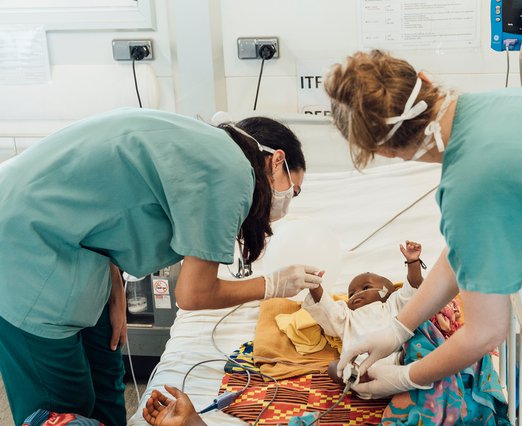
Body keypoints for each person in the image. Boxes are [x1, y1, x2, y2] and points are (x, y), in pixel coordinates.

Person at [324, 50, 522, 425]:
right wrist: (398, 328)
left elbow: (484, 333)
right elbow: (466, 252)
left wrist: (407, 376)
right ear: (423, 79)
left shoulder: (473, 182)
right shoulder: (500, 106)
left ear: (384, 151)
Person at [0, 108, 323, 426]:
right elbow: (194, 295)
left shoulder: (202, 146)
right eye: (292, 189)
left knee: (107, 377)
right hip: (23, 247)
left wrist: (114, 287)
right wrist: (274, 285)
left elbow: (98, 204)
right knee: (62, 406)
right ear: (277, 160)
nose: (285, 200)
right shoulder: (231, 172)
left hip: (76, 246)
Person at [303, 241, 427, 390]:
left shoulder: (393, 303)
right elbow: (327, 309)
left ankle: (406, 369)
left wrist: (413, 262)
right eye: (351, 293)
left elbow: (412, 287)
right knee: (334, 368)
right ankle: (361, 378)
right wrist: (315, 286)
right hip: (361, 366)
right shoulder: (347, 316)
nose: (356, 294)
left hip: (398, 359)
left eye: (366, 287)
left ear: (386, 292)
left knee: (419, 348)